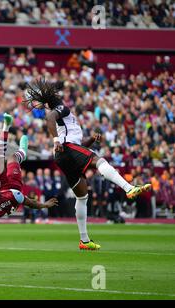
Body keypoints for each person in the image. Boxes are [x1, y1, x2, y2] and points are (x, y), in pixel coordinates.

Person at [22, 79, 152, 250]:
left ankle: (84, 240)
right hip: (66, 148)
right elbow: (50, 117)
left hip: (65, 153)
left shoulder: (67, 118)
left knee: (82, 196)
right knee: (100, 161)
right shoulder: (61, 108)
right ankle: (129, 188)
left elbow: (78, 144)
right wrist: (55, 140)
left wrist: (90, 140)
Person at [0, 114, 58, 272]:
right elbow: (30, 202)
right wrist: (43, 205)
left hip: (4, 187)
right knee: (12, 157)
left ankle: (6, 127)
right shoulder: (12, 196)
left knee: (0, 157)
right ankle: (22, 149)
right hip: (12, 186)